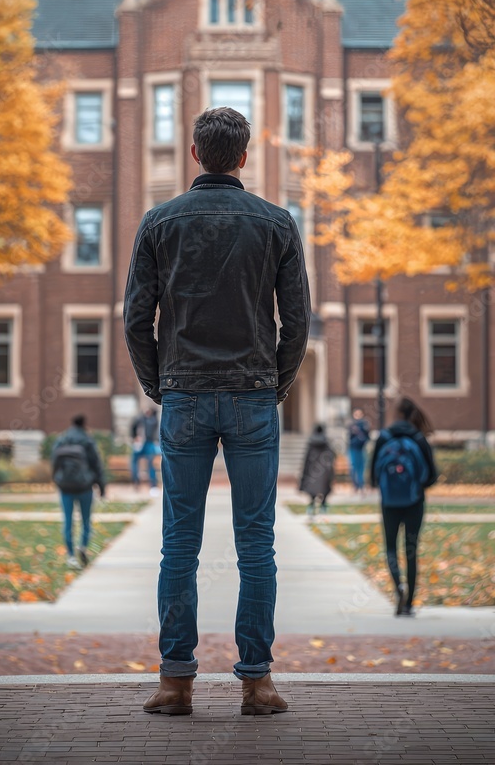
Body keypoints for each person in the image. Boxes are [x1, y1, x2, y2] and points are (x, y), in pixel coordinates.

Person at [124, 106, 311, 716]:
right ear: (245, 156)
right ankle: (257, 681)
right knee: (256, 542)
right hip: (253, 393)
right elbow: (296, 321)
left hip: (184, 395)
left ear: (197, 154)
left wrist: (160, 386)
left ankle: (176, 681)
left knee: (180, 544)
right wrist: (275, 385)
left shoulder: (159, 222)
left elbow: (135, 319)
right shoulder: (277, 224)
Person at [370, 396, 438, 617]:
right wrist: (416, 487)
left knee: (391, 547)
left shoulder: (384, 437)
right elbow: (432, 476)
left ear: (397, 414)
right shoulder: (419, 439)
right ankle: (409, 603)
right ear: (412, 415)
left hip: (389, 502)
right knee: (411, 550)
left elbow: (372, 476)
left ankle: (398, 586)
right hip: (414, 502)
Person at [51, 415, 106, 569]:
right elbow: (97, 465)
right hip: (85, 487)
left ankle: (70, 556)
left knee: (68, 522)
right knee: (85, 521)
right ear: (84, 424)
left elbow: (54, 462)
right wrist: (101, 487)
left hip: (65, 487)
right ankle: (82, 546)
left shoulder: (62, 439)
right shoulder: (87, 441)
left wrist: (57, 479)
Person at [299, 424, 335, 515]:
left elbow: (307, 458)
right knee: (325, 488)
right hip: (324, 471)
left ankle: (311, 505)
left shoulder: (311, 443)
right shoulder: (326, 443)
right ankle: (323, 506)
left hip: (312, 470)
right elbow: (331, 456)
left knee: (312, 488)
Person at [131, 406, 160, 496]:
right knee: (135, 462)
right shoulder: (141, 419)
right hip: (140, 443)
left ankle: (153, 485)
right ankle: (136, 481)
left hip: (148, 443)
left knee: (150, 464)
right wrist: (135, 437)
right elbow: (133, 426)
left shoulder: (152, 420)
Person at [347, 408, 371, 494]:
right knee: (353, 468)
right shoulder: (351, 425)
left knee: (361, 468)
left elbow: (368, 437)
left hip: (361, 449)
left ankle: (361, 485)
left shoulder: (364, 425)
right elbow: (349, 437)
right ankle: (356, 486)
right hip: (353, 448)